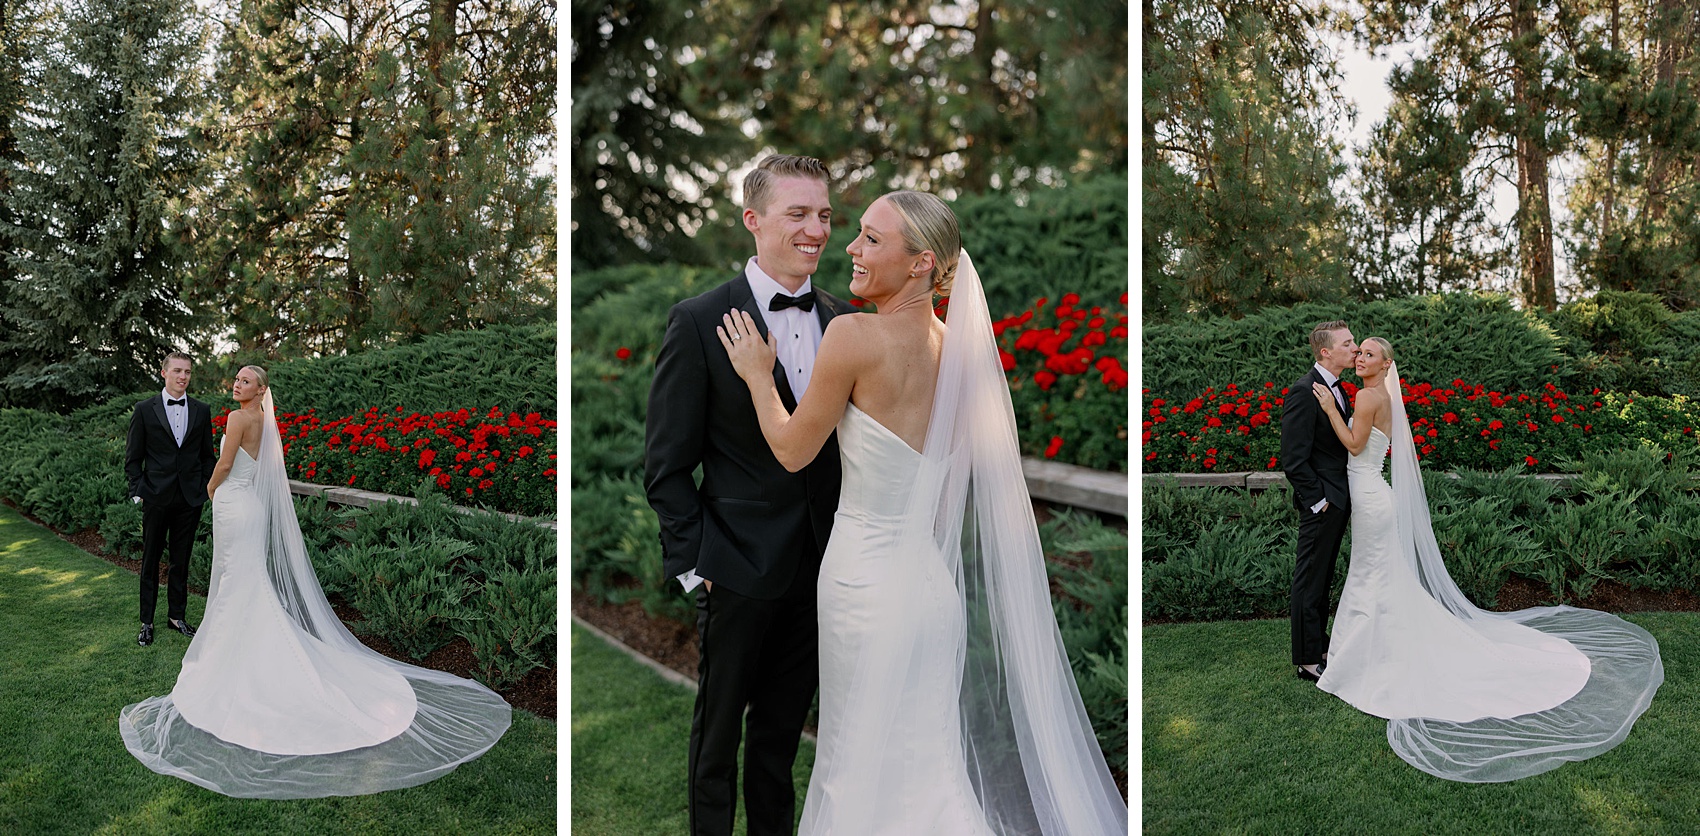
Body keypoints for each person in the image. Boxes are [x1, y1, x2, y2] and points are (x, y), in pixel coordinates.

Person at [719, 191, 1127, 834]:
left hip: (862, 588)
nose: (850, 248)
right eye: (856, 234)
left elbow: (794, 452)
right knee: (926, 768)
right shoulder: (962, 355)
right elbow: (945, 495)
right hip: (930, 593)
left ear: (920, 263)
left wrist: (757, 376)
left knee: (859, 766)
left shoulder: (853, 335)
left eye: (872, 240)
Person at [119, 365, 511, 798]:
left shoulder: (234, 418)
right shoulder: (267, 421)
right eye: (236, 379)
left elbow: (225, 463)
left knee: (236, 578)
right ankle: (225, 640)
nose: (237, 385)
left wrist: (212, 490)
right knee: (245, 579)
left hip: (233, 502)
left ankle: (233, 656)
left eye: (245, 381)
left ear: (261, 390)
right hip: (252, 506)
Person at [1307, 338, 1664, 781]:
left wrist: (1328, 410)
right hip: (1375, 497)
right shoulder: (1384, 397)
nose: (1360, 358)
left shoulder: (1367, 396)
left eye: (1369, 354)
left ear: (1386, 364)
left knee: (1372, 575)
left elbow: (1355, 446)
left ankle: (1366, 655)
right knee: (1379, 576)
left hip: (1370, 497)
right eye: (1357, 352)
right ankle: (1370, 647)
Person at [643, 153, 856, 836]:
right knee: (716, 746)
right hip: (732, 571)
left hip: (820, 570)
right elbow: (666, 466)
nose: (816, 229)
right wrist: (694, 566)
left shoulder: (844, 320)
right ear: (753, 220)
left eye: (824, 214)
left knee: (780, 743)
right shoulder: (699, 320)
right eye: (797, 213)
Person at [1279, 321, 1358, 681]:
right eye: (1348, 343)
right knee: (1309, 578)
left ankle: (1320, 644)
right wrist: (1318, 501)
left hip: (1339, 497)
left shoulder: (1338, 390)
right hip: (1323, 502)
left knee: (1322, 577)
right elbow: (1293, 459)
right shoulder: (1302, 392)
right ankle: (1308, 660)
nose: (1354, 347)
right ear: (1326, 351)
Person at [125, 351, 217, 647]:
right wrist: (138, 492)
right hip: (155, 495)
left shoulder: (202, 410)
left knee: (181, 561)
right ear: (163, 373)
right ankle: (146, 621)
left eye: (188, 372)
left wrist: (203, 489)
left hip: (189, 498)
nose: (183, 377)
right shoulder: (144, 409)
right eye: (177, 371)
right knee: (150, 560)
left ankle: (176, 616)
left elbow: (207, 456)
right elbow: (133, 458)